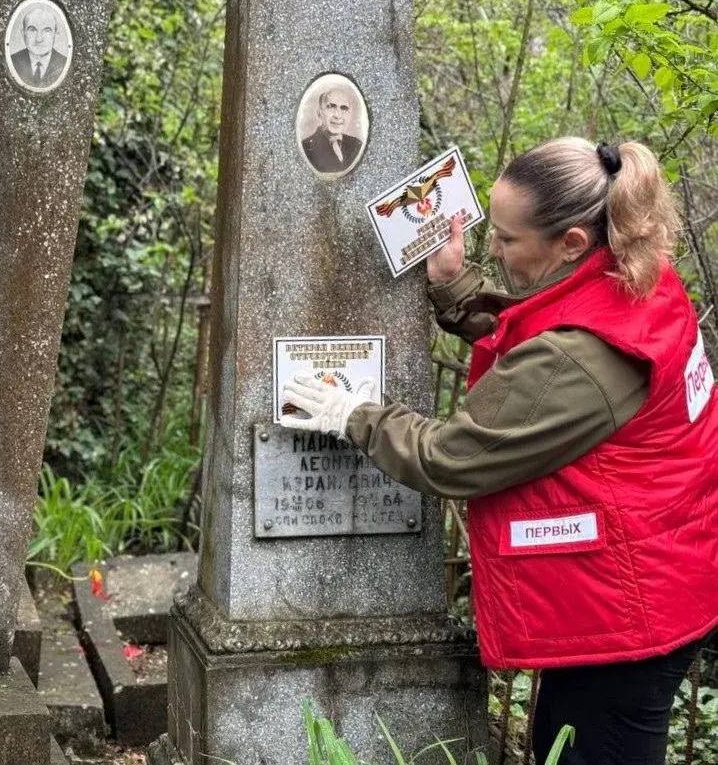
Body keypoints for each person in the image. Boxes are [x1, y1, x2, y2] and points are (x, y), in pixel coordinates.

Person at [281, 137, 716, 765]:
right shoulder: (636, 279)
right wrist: (457, 287)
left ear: (572, 241)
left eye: (508, 240)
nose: (495, 249)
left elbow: (451, 457)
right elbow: (547, 332)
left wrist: (353, 415)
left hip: (629, 614)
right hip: (659, 579)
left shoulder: (582, 356)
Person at [300, 85, 364, 174]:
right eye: (331, 107)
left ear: (349, 114)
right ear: (319, 113)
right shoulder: (306, 148)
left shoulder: (356, 144)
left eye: (344, 108)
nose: (338, 115)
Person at [9, 1, 68, 88]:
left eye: (47, 30)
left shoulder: (64, 63)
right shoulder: (13, 61)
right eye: (32, 30)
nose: (39, 39)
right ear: (23, 33)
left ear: (55, 34)